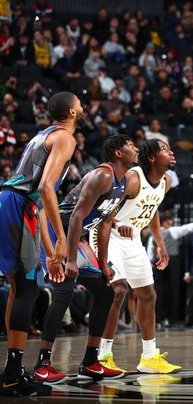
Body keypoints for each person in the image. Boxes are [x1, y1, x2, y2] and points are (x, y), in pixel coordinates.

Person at [33, 135, 138, 383]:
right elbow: (78, 216)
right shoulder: (103, 175)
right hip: (56, 232)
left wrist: (102, 263)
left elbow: (104, 224)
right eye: (130, 145)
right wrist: (69, 259)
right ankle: (42, 363)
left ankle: (91, 361)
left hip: (78, 238)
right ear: (117, 153)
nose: (136, 148)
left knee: (105, 291)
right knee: (63, 292)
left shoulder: (124, 183)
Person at [0, 92, 81, 397]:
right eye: (79, 103)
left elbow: (42, 204)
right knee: (28, 288)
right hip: (18, 206)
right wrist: (62, 238)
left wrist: (50, 254)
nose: (82, 106)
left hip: (18, 205)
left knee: (20, 288)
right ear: (72, 112)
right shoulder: (64, 138)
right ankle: (12, 373)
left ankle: (11, 370)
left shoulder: (42, 136)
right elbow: (46, 189)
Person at [97, 139, 179, 375]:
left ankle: (150, 357)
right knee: (119, 290)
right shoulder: (133, 178)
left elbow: (152, 209)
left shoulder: (167, 181)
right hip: (109, 236)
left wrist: (160, 244)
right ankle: (103, 356)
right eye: (164, 149)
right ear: (152, 158)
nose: (170, 151)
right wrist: (117, 222)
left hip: (133, 239)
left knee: (147, 294)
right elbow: (105, 209)